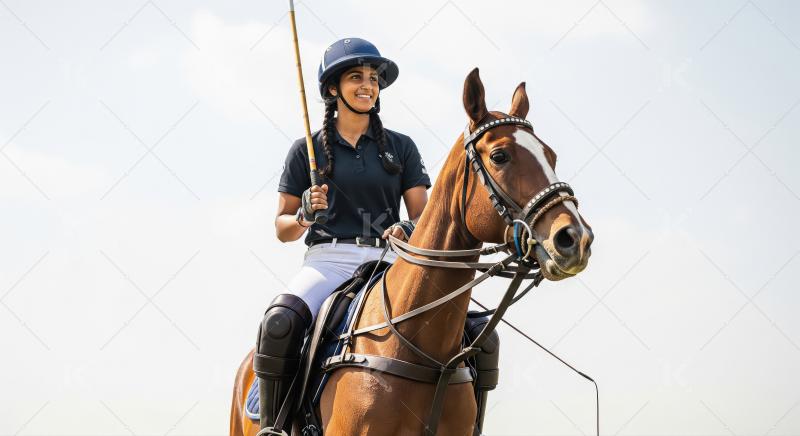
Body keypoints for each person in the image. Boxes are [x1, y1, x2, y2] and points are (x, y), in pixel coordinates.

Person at [253, 37, 431, 431]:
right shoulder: (307, 150)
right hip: (329, 262)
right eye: (356, 77)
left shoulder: (402, 147)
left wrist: (408, 228)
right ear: (333, 88)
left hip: (390, 262)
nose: (368, 85)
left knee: (474, 330)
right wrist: (303, 213)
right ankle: (274, 427)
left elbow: (423, 218)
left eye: (373, 77)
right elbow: (282, 229)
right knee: (279, 322)